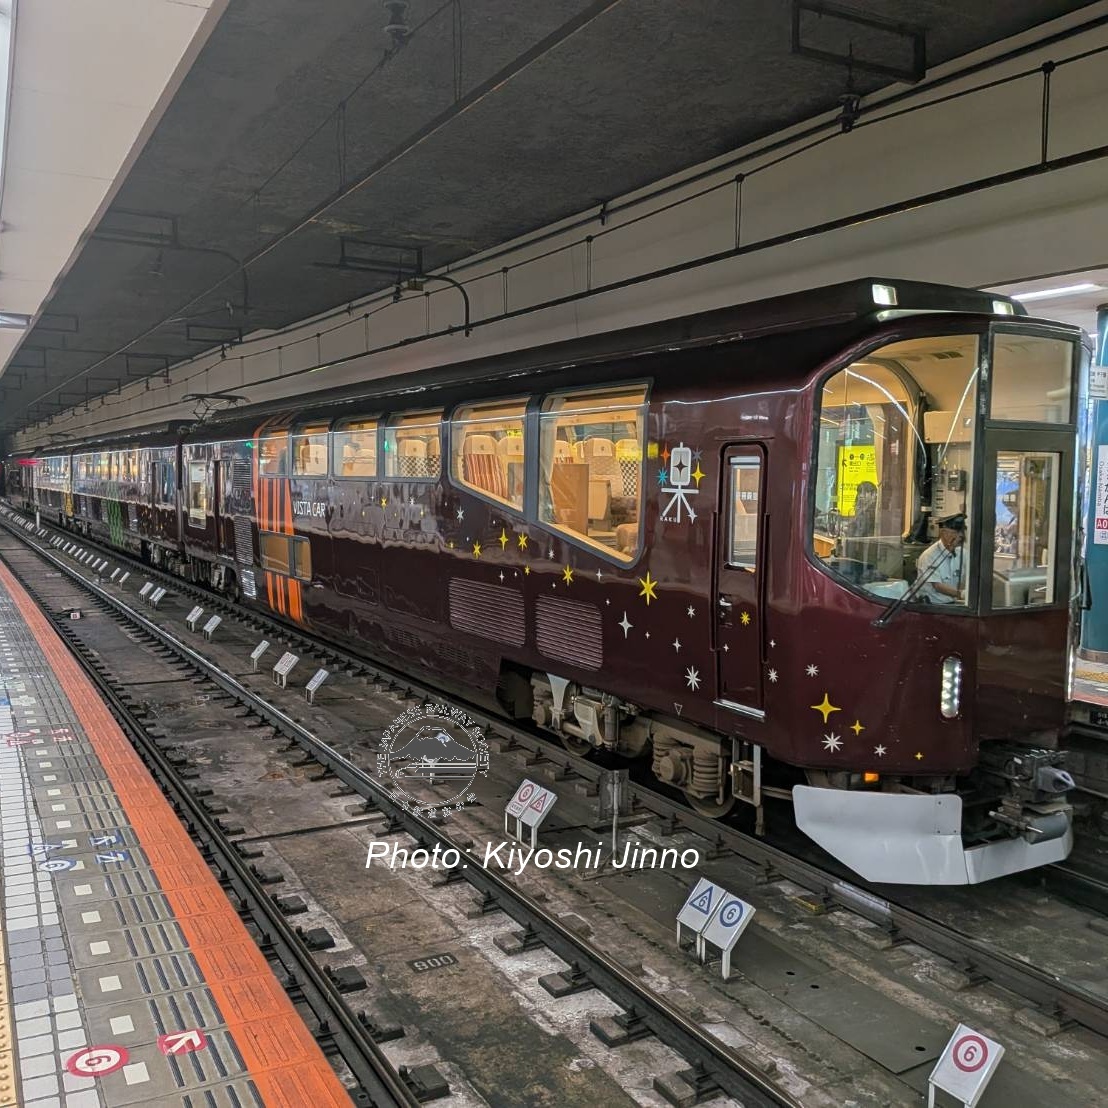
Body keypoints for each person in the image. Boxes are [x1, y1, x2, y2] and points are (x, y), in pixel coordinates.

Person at [916, 513, 966, 603]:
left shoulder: (962, 553)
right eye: (955, 532)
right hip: (932, 605)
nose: (960, 536)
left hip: (952, 604)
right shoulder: (930, 555)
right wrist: (962, 594)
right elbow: (937, 586)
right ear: (943, 533)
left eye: (962, 532)